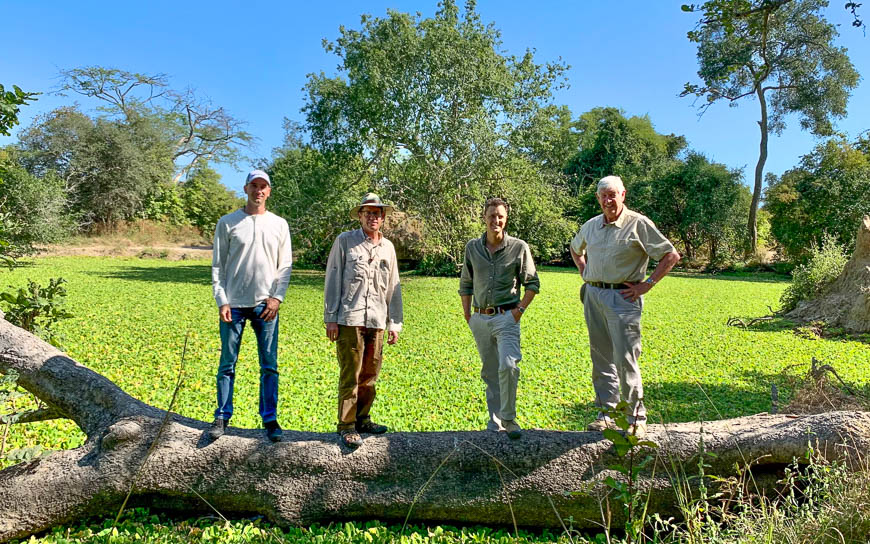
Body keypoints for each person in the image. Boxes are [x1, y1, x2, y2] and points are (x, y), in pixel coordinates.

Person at [569, 175, 680, 438]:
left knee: (626, 359)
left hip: (623, 298)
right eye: (603, 196)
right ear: (598, 198)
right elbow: (575, 249)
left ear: (623, 195)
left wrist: (647, 284)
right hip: (593, 295)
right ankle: (607, 414)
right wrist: (584, 272)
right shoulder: (591, 226)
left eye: (612, 195)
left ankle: (635, 417)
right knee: (601, 357)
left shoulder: (638, 223)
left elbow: (670, 255)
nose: (608, 200)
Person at [209, 169, 292, 443]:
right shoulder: (228, 223)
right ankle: (222, 415)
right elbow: (218, 266)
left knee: (269, 365)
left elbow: (285, 266)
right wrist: (222, 300)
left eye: (263, 186)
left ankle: (270, 418)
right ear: (246, 189)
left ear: (269, 191)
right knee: (227, 364)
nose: (259, 191)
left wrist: (277, 298)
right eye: (254, 186)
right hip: (233, 306)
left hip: (265, 306)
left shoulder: (279, 224)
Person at [324, 193, 403, 449]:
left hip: (377, 319)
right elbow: (333, 278)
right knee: (351, 374)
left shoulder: (388, 248)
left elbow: (393, 286)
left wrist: (394, 323)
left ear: (383, 217)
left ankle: (363, 419)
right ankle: (347, 425)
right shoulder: (345, 241)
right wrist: (331, 318)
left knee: (370, 375)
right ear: (360, 216)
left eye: (377, 213)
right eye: (368, 213)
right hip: (350, 318)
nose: (373, 217)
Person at [459, 197, 539, 439]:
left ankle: (509, 419)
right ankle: (495, 421)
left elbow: (532, 283)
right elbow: (466, 283)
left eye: (500, 216)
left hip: (507, 317)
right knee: (490, 371)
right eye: (492, 215)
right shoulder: (472, 248)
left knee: (509, 366)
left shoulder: (519, 247)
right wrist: (468, 315)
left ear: (506, 219)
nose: (496, 220)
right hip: (480, 319)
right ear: (484, 218)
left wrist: (519, 311)